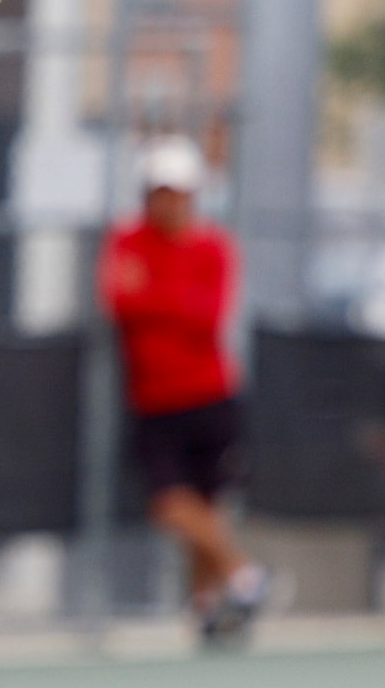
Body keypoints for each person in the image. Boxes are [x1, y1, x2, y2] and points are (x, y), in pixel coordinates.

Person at [101, 136, 268, 644]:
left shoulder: (214, 246)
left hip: (211, 397)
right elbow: (120, 301)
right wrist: (168, 301)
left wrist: (154, 295)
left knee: (206, 508)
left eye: (178, 193)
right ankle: (246, 575)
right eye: (159, 192)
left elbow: (206, 316)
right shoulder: (127, 241)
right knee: (170, 504)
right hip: (154, 401)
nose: (169, 203)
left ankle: (205, 608)